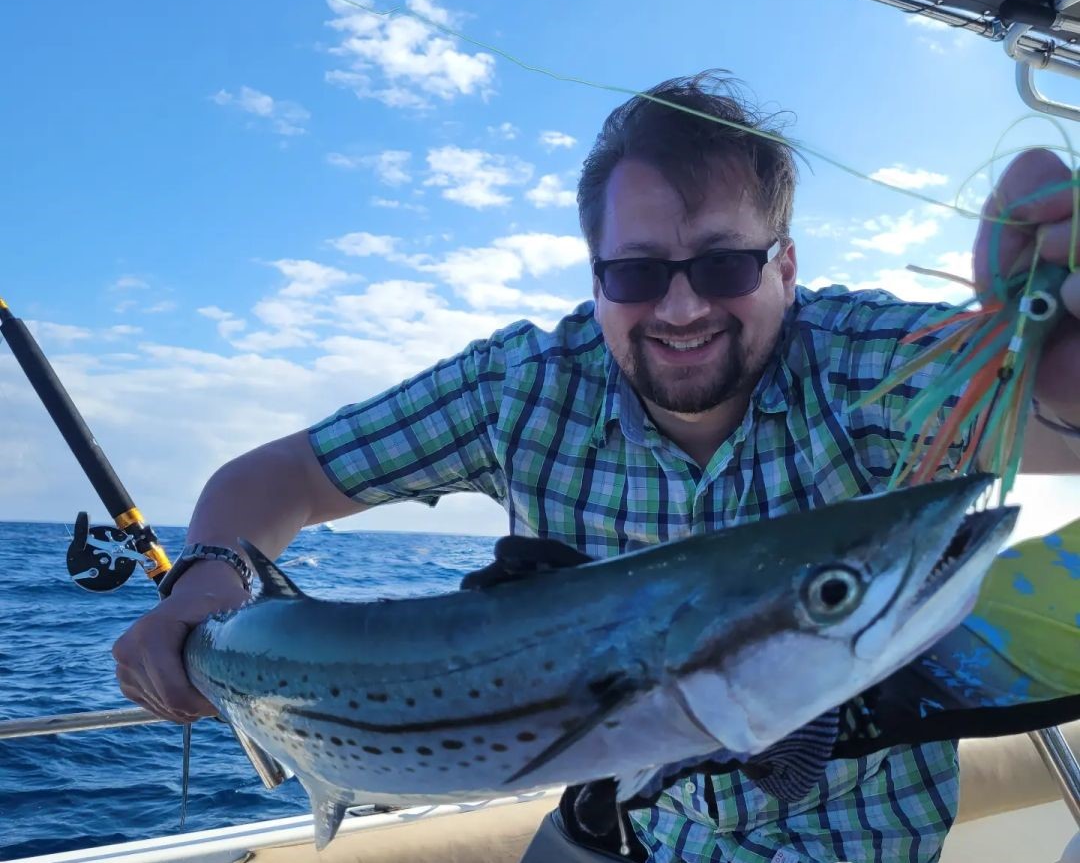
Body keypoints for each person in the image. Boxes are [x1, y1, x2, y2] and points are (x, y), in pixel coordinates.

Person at [113, 72, 1080, 863]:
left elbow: (1047, 420)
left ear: (785, 265)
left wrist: (1062, 369)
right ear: (596, 280)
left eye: (724, 265)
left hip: (851, 839)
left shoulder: (867, 358)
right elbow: (271, 483)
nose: (681, 306)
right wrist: (209, 580)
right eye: (637, 272)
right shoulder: (520, 387)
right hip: (628, 832)